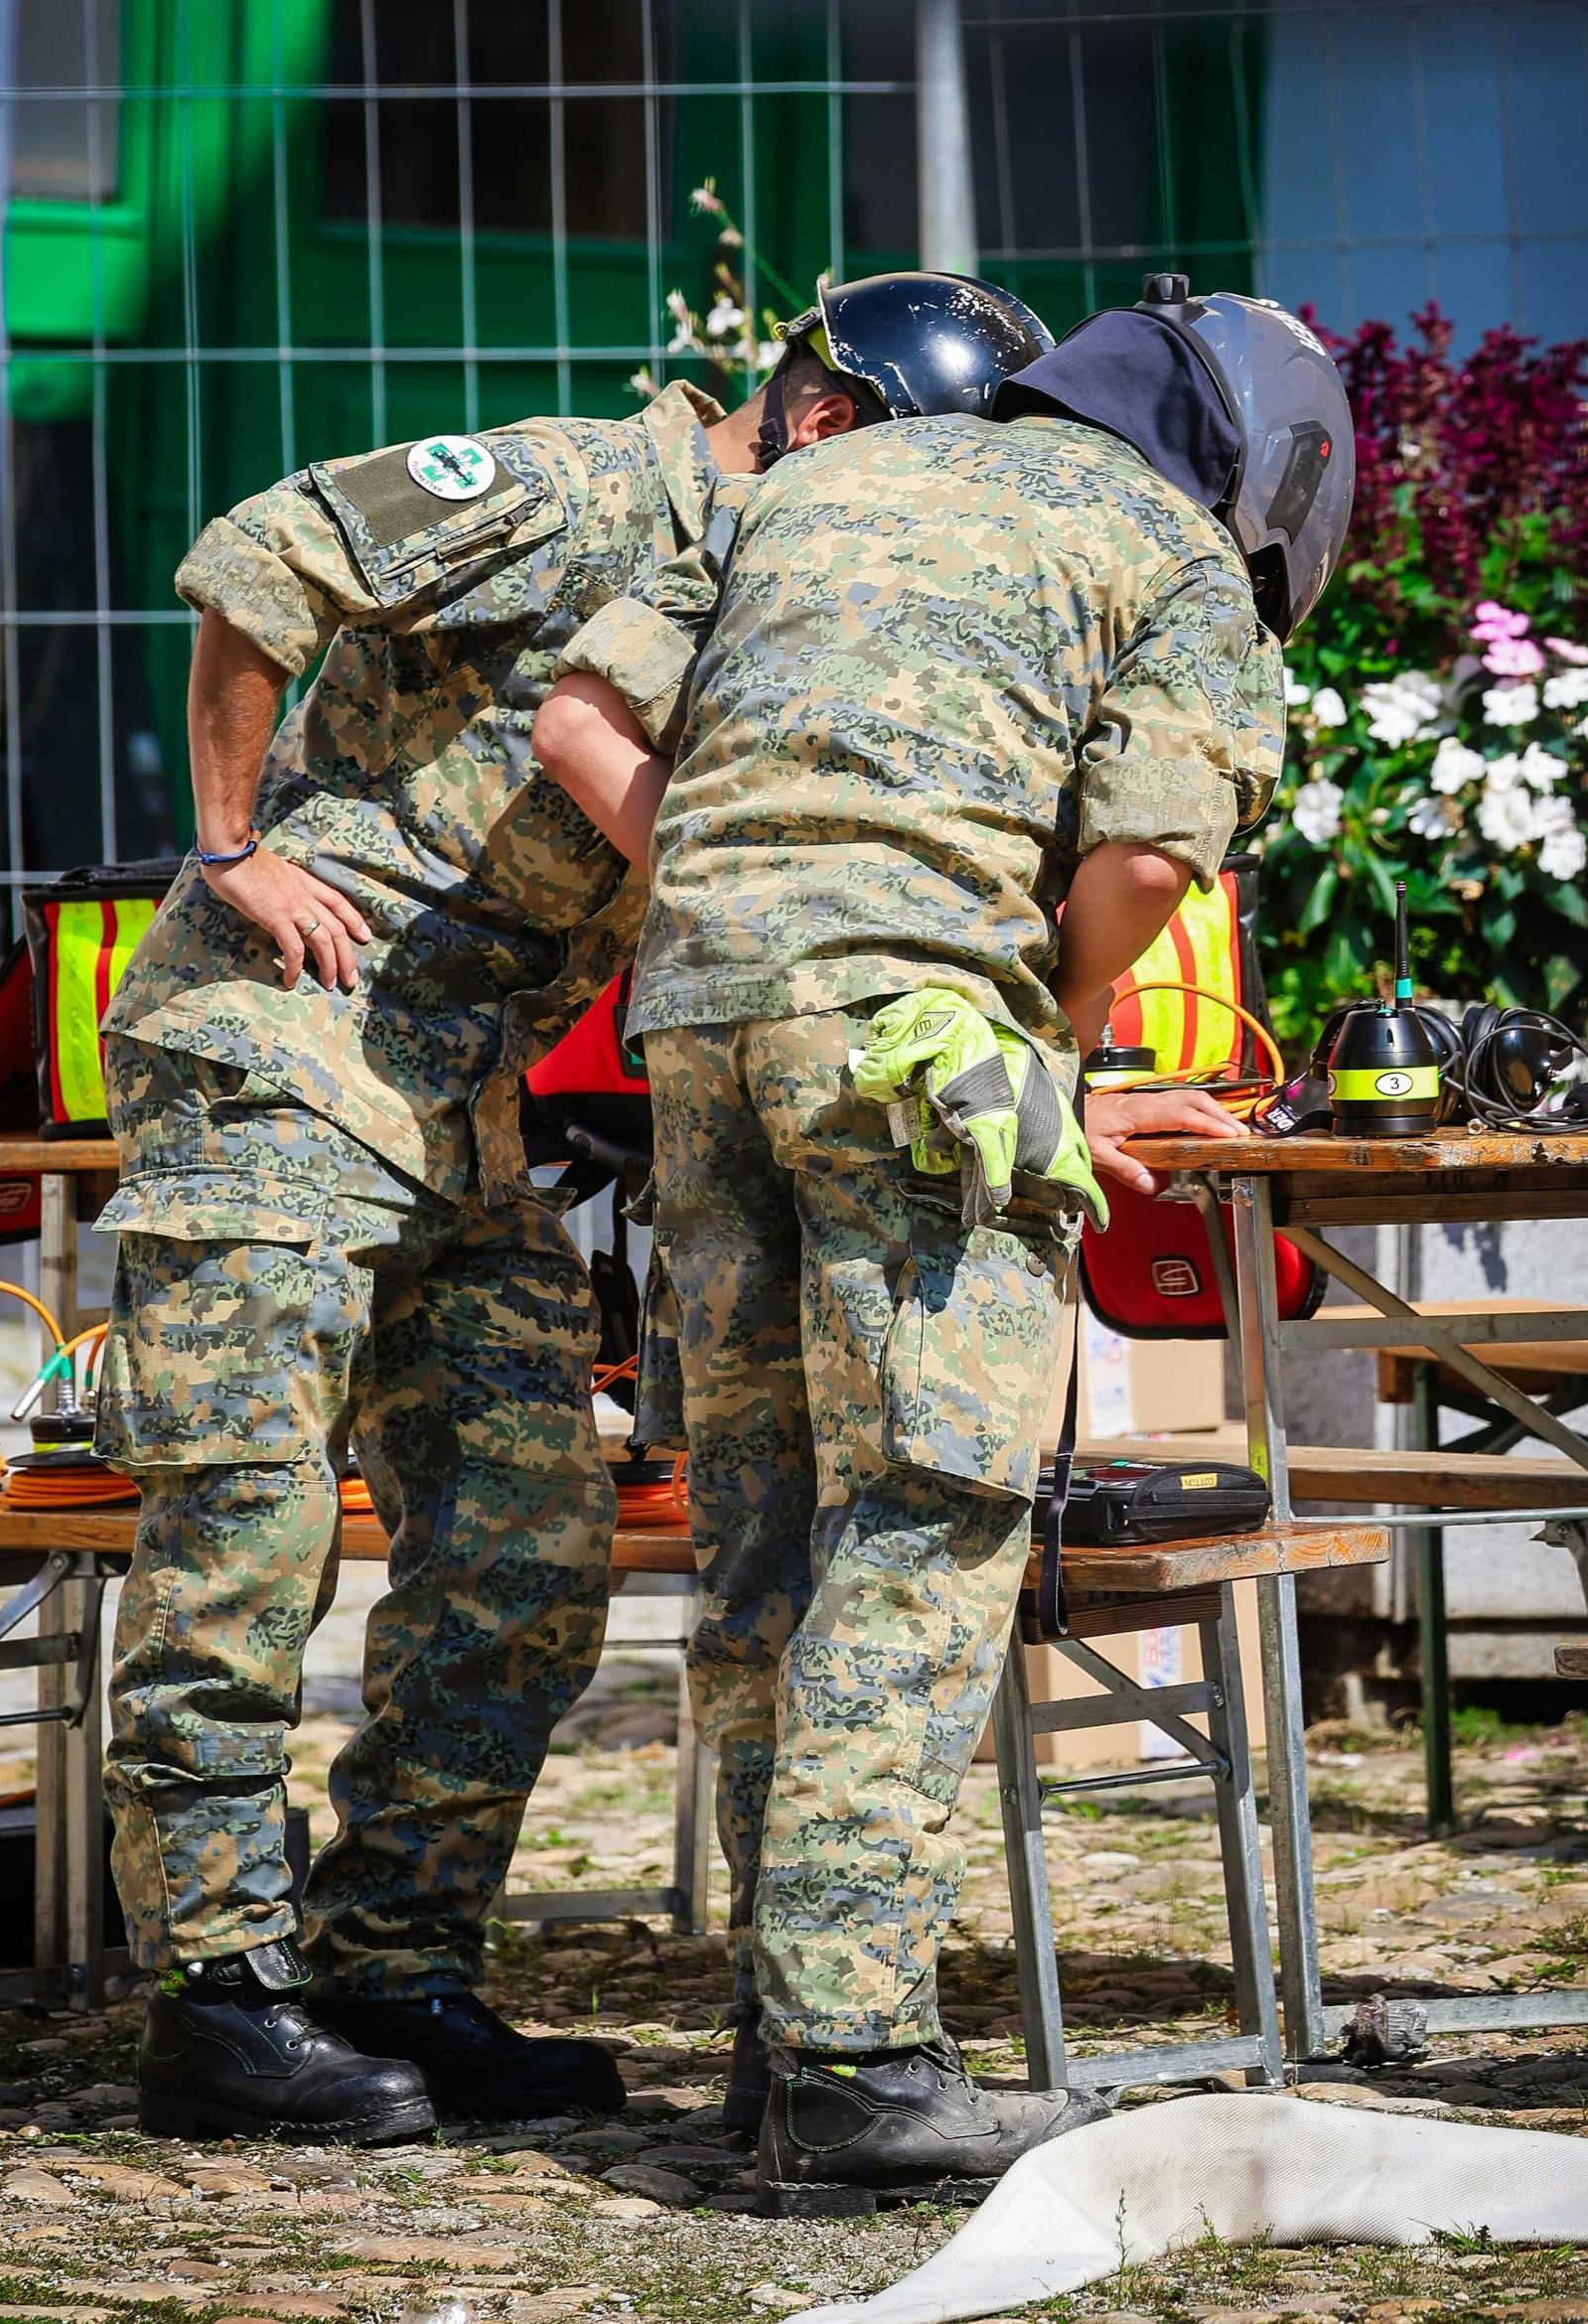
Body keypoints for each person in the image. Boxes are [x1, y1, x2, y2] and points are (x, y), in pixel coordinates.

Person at [95, 272, 1055, 2147]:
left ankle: (388, 1969)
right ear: (830, 430)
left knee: (530, 1548)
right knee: (246, 1534)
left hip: (456, 1107)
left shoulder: (763, 596)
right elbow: (259, 557)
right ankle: (215, 2004)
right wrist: (232, 848)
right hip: (279, 1051)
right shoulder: (587, 490)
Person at [531, 274, 1353, 2207]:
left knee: (762, 1525)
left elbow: (575, 716)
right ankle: (856, 2060)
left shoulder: (803, 489)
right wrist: (1044, 1042)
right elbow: (1148, 854)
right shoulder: (1166, 548)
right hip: (911, 1051)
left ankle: (778, 2017)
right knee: (932, 1507)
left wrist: (755, 895)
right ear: (1263, 465)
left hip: (700, 1027)